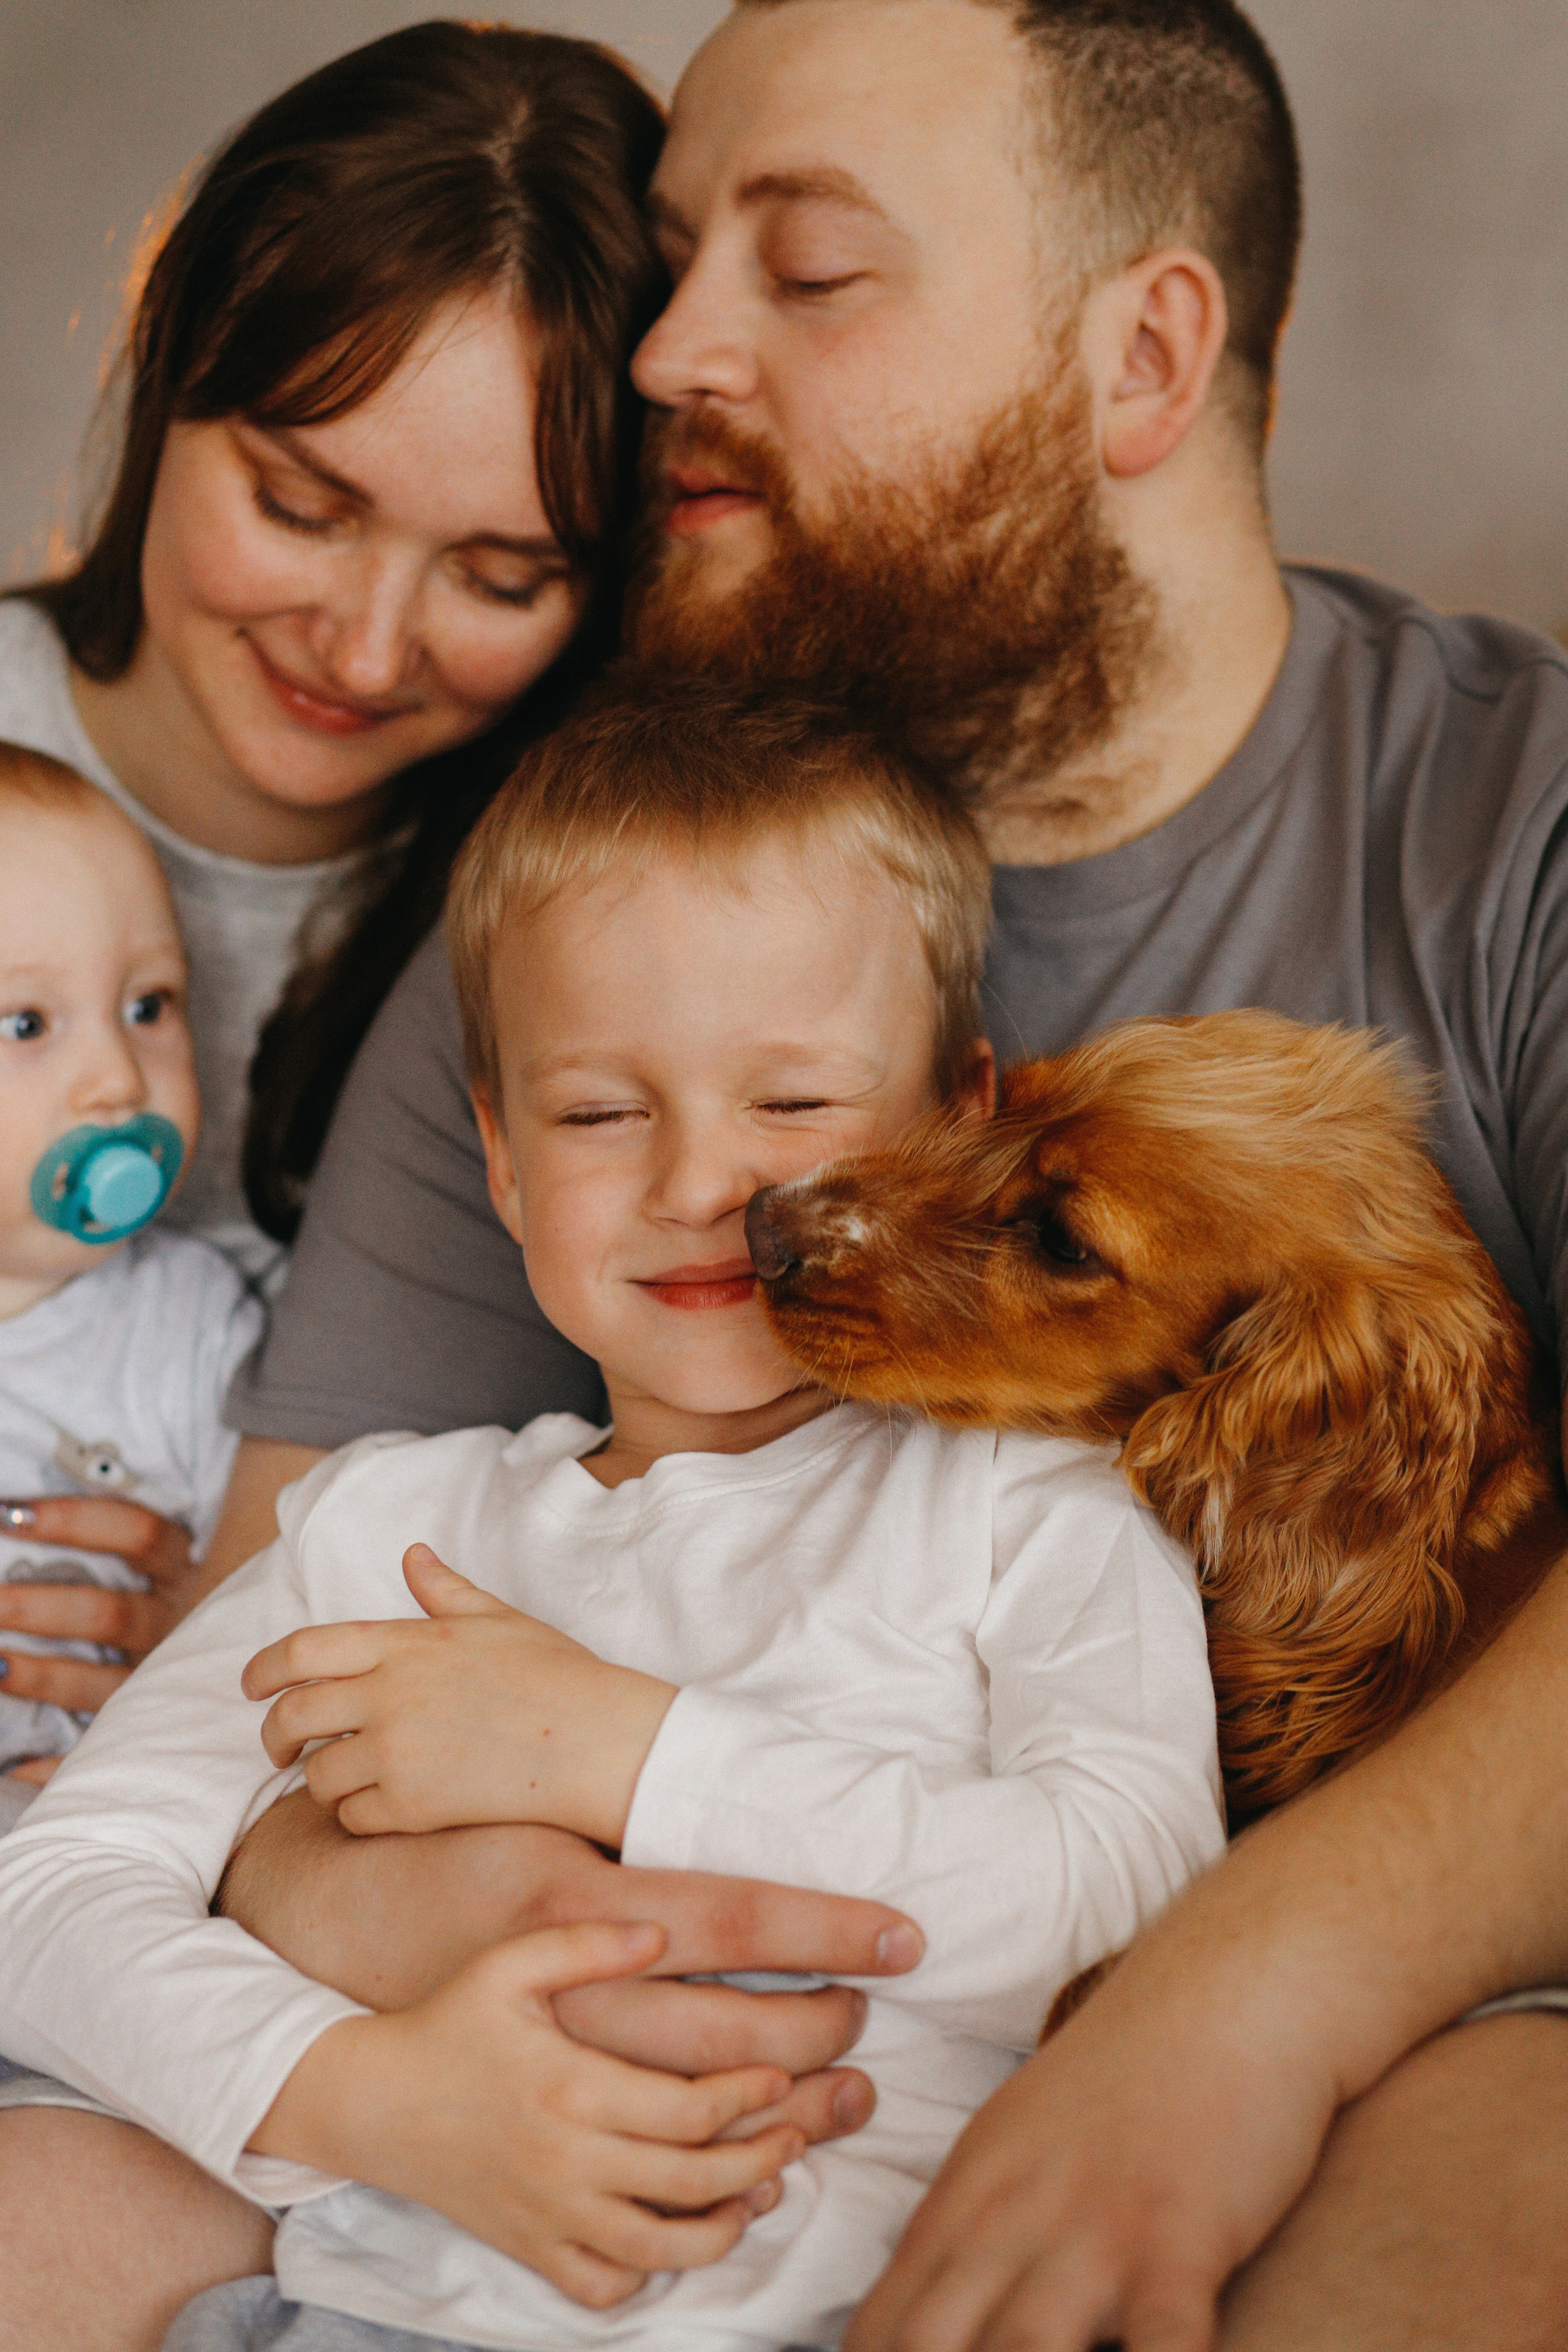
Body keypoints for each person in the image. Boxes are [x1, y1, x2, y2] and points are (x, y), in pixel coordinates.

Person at [186, 1, 1568, 2346]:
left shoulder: (1511, 828)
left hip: (1402, 2006)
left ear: (1144, 356)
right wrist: (464, 1940)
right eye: (674, 263)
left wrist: (1247, 1995)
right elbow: (263, 1673)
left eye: (807, 274)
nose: (668, 355)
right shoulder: (599, 891)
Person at [0, 674, 1224, 2352]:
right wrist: (362, 2094)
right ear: (501, 1160)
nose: (698, 1181)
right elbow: (58, 1893)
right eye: (598, 1111)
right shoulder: (393, 1526)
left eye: (792, 1102)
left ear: (960, 1115)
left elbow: (1138, 1905)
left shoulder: (1036, 1512)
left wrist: (628, 1753)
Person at [0, 16, 666, 1721]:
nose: (366, 649)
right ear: (161, 377)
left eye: (502, 577)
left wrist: (231, 1613)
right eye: (303, 504)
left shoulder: (566, 915)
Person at [0, 745, 260, 1813]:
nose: (117, 1079)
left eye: (149, 1006)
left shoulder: (190, 1328)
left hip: (96, 1833)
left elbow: (272, 1599)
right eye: (26, 1024)